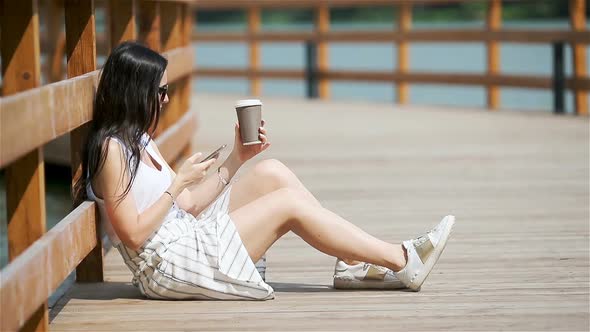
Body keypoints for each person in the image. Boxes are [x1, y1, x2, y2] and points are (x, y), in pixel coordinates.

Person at [74, 41, 455, 300]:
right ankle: (403, 259)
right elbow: (134, 233)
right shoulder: (112, 150)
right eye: (160, 91)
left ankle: (353, 264)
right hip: (167, 265)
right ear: (134, 93)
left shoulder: (138, 139)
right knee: (287, 204)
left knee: (272, 172)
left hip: (183, 235)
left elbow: (187, 204)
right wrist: (176, 185)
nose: (167, 98)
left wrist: (238, 157)